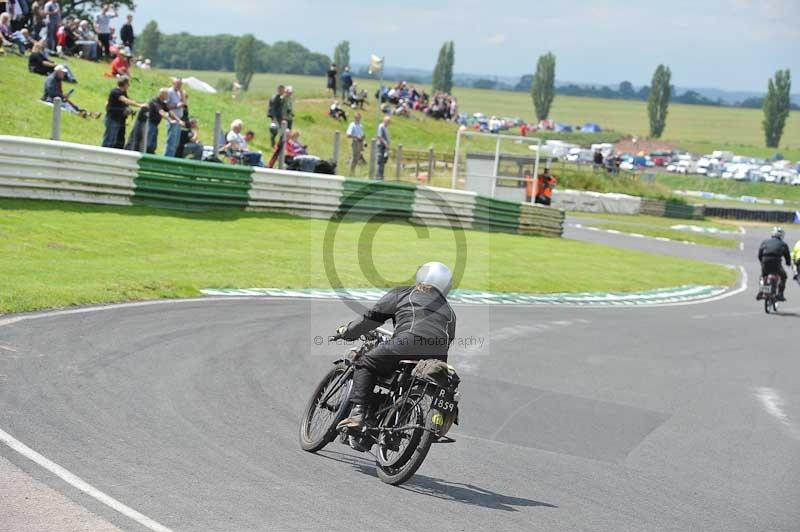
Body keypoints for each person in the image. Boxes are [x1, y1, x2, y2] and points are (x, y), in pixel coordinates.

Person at [334, 262, 457, 439]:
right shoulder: (450, 311)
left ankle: (357, 415)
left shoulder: (404, 293)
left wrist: (348, 332)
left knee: (365, 362)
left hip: (406, 342)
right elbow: (449, 339)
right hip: (437, 355)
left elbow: (371, 318)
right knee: (407, 383)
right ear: (447, 286)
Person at [102, 76, 146, 149]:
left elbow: (126, 102)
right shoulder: (116, 91)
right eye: (128, 84)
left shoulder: (123, 92)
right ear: (125, 84)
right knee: (109, 139)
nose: (129, 85)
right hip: (112, 119)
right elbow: (125, 100)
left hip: (118, 119)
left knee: (114, 140)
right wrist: (140, 105)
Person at [758, 227, 791, 302]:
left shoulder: (765, 242)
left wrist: (762, 262)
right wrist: (788, 263)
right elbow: (787, 256)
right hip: (776, 262)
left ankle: (761, 291)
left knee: (763, 276)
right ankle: (780, 294)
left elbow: (760, 254)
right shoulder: (783, 244)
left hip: (765, 261)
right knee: (784, 276)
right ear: (781, 236)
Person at [145, 87, 179, 154]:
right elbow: (161, 112)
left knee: (152, 144)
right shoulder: (155, 101)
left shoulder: (162, 103)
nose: (168, 96)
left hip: (155, 125)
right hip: (150, 124)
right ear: (162, 94)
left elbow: (169, 111)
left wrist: (178, 120)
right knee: (148, 143)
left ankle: (151, 155)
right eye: (167, 94)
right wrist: (170, 120)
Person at [164, 77, 186, 157]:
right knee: (171, 142)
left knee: (176, 143)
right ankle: (167, 159)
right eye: (178, 84)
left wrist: (182, 93)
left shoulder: (179, 93)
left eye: (181, 84)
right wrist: (176, 106)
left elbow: (184, 104)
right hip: (172, 119)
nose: (179, 86)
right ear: (173, 83)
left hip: (178, 119)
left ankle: (171, 158)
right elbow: (165, 106)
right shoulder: (169, 92)